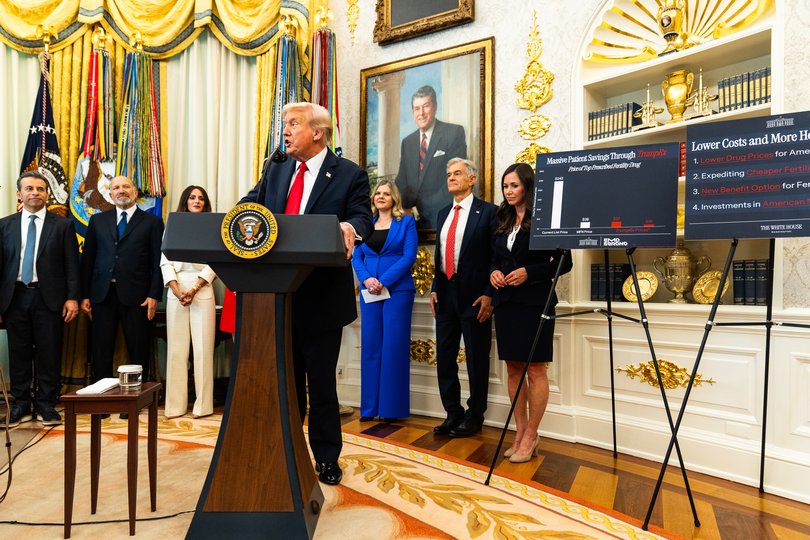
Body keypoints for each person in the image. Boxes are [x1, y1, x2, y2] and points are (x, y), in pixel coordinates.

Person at [240, 102, 372, 485]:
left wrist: (349, 227)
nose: (285, 131)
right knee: (286, 381)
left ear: (317, 132)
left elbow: (362, 217)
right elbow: (252, 203)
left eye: (293, 124)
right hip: (277, 295)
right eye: (284, 123)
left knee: (321, 384)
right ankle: (286, 449)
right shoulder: (277, 167)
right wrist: (231, 221)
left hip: (322, 297)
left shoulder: (349, 175)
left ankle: (327, 458)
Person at [489, 163, 572, 463]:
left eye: (514, 186)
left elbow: (565, 263)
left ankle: (533, 433)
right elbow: (493, 258)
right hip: (506, 304)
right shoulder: (501, 218)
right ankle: (520, 431)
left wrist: (530, 272)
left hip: (535, 305)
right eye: (505, 186)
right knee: (513, 368)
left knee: (535, 369)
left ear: (527, 186)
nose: (509, 192)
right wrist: (494, 273)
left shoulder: (545, 217)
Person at [0, 171, 80, 428]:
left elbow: (72, 265)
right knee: (19, 351)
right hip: (14, 296)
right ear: (19, 194)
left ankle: (46, 403)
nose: (35, 192)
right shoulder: (4, 225)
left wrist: (72, 298)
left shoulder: (63, 225)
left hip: (49, 298)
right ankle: (20, 403)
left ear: (48, 194)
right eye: (29, 188)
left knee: (49, 351)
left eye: (40, 188)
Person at [430, 158, 496, 438]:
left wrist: (490, 295)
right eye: (448, 175)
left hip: (475, 298)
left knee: (476, 358)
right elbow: (441, 255)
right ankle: (452, 412)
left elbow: (496, 256)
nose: (451, 178)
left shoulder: (489, 213)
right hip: (445, 296)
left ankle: (475, 415)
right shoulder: (443, 213)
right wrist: (434, 287)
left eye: (457, 174)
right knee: (444, 358)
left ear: (472, 179)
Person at [81, 175, 164, 386]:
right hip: (102, 295)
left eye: (126, 186)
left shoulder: (152, 222)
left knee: (138, 349)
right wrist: (84, 295)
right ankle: (103, 399)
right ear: (110, 195)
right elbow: (88, 260)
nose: (121, 190)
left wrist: (154, 295)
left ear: (135, 192)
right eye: (115, 187)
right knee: (101, 350)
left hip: (138, 297)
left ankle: (136, 399)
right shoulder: (97, 221)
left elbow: (159, 262)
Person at [352, 179, 417, 422]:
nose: (381, 196)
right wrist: (368, 280)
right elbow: (356, 256)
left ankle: (391, 410)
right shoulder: (365, 224)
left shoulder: (406, 222)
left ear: (394, 199)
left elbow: (409, 256)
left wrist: (384, 281)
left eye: (386, 193)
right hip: (369, 291)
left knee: (393, 348)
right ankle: (369, 409)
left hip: (398, 291)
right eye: (377, 193)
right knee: (370, 347)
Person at [160, 186, 217, 419]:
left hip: (202, 289)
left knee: (203, 350)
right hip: (176, 290)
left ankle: (203, 407)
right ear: (185, 200)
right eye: (193, 197)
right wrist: (175, 288)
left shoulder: (213, 227)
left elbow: (215, 261)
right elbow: (164, 260)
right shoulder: (172, 226)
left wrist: (194, 289)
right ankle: (174, 406)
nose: (197, 201)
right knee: (176, 350)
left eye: (201, 198)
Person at [396, 85, 466, 230]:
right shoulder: (407, 142)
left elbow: (455, 179)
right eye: (416, 108)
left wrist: (420, 210)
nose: (421, 113)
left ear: (434, 107)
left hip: (443, 215)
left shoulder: (453, 133)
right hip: (412, 222)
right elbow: (402, 181)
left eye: (426, 106)